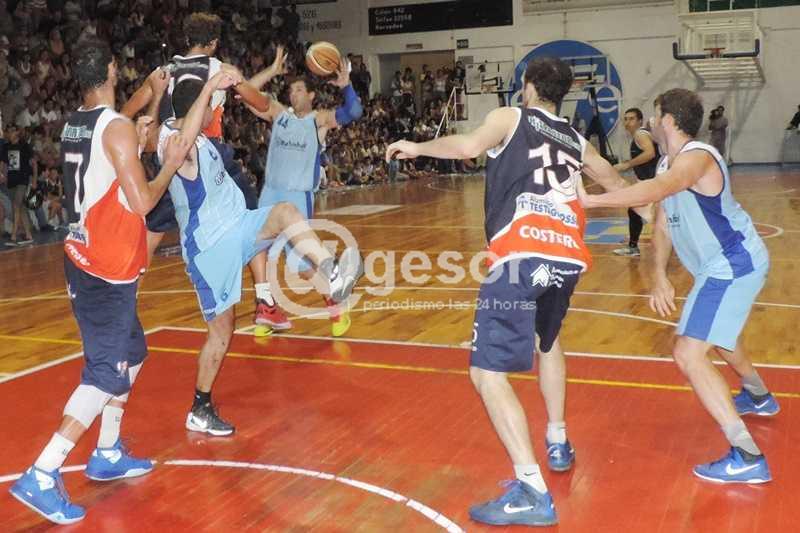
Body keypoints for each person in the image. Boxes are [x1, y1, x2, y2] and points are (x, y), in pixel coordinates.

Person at [387, 57, 634, 527]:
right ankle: (557, 439)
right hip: (566, 259)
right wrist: (642, 205)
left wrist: (416, 146)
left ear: (529, 86)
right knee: (548, 342)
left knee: (486, 374)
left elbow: (467, 147)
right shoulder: (575, 137)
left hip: (522, 255)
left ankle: (532, 488)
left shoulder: (512, 116)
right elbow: (612, 179)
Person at [9, 39, 189, 525]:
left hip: (87, 258)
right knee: (106, 372)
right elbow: (144, 201)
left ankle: (107, 450)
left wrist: (152, 97)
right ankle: (43, 471)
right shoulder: (116, 129)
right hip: (104, 270)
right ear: (111, 70)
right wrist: (171, 161)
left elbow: (118, 134)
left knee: (134, 353)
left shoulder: (76, 122)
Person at [579, 88, 779, 484]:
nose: (651, 123)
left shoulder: (698, 157)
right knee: (720, 338)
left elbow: (659, 190)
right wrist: (658, 276)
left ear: (669, 120)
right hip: (719, 267)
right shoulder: (667, 162)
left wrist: (593, 201)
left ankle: (747, 454)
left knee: (688, 352)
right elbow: (661, 223)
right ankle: (758, 395)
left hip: (733, 264)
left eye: (655, 116)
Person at [158, 73, 363, 436]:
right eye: (211, 107)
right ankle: (200, 407)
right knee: (222, 332)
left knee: (285, 214)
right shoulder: (177, 144)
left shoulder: (203, 139)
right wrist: (208, 88)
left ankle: (332, 274)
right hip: (211, 249)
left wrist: (228, 84)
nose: (217, 113)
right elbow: (182, 138)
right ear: (198, 109)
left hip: (240, 226)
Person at [123, 12, 271, 330]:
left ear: (187, 39)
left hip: (168, 154)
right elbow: (260, 104)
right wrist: (242, 85)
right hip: (204, 152)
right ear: (213, 42)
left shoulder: (163, 71)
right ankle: (265, 301)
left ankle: (125, 304)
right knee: (252, 217)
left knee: (151, 233)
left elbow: (128, 111)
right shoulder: (218, 68)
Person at [244, 46, 363, 337]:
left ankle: (335, 303)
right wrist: (272, 70)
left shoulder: (319, 121)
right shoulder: (278, 113)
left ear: (311, 95)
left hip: (297, 196)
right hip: (270, 192)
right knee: (254, 248)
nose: (293, 94)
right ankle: (268, 309)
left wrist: (346, 85)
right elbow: (245, 92)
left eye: (299, 90)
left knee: (299, 263)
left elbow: (354, 112)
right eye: (291, 90)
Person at [613, 108, 660, 257]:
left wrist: (627, 164)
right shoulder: (639, 135)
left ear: (640, 121)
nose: (628, 122)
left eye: (632, 119)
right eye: (626, 119)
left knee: (638, 212)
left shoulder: (640, 134)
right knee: (635, 211)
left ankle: (633, 248)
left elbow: (650, 153)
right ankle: (633, 247)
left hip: (653, 182)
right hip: (650, 182)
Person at [0, 124, 37, 245]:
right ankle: (28, 235)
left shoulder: (24, 146)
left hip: (22, 181)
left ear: (17, 132)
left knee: (16, 205)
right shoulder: (6, 147)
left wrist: (34, 180)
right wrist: (2, 175)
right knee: (20, 208)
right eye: (8, 131)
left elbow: (34, 164)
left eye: (12, 131)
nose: (10, 134)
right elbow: (3, 163)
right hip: (11, 181)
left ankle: (14, 236)